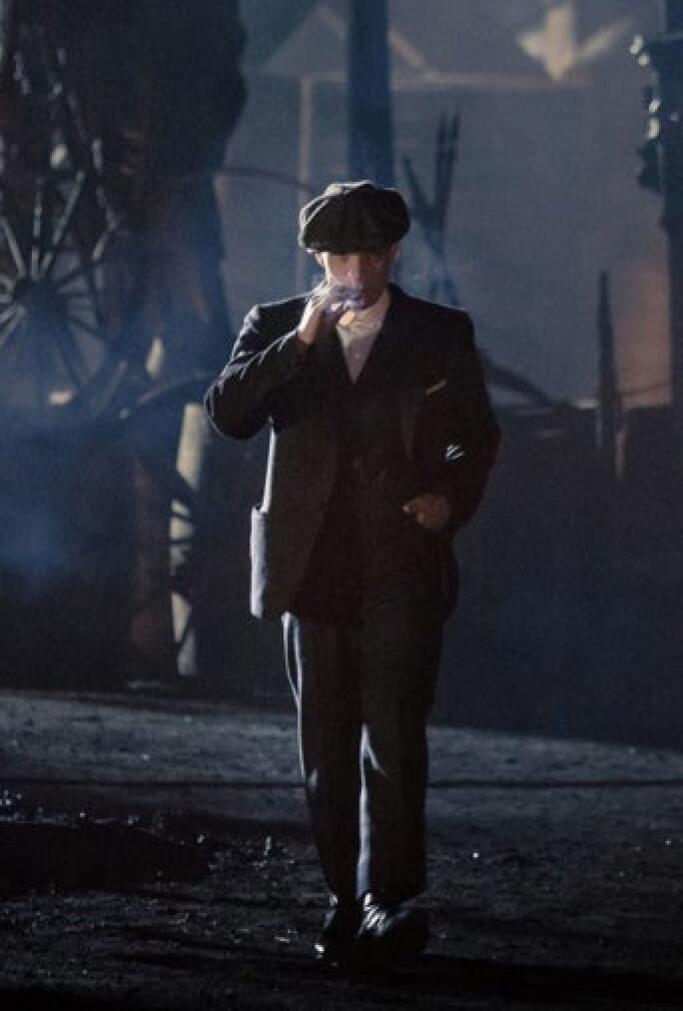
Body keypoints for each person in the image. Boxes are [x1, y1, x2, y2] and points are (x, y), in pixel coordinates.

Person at [205, 180, 500, 969]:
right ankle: (344, 894)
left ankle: (388, 898)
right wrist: (300, 341)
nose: (355, 271)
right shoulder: (275, 325)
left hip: (400, 559)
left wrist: (448, 495)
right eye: (340, 256)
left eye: (369, 254)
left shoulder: (437, 332)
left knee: (394, 733)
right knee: (325, 743)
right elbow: (228, 414)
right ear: (318, 258)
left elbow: (474, 437)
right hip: (311, 567)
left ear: (393, 252)